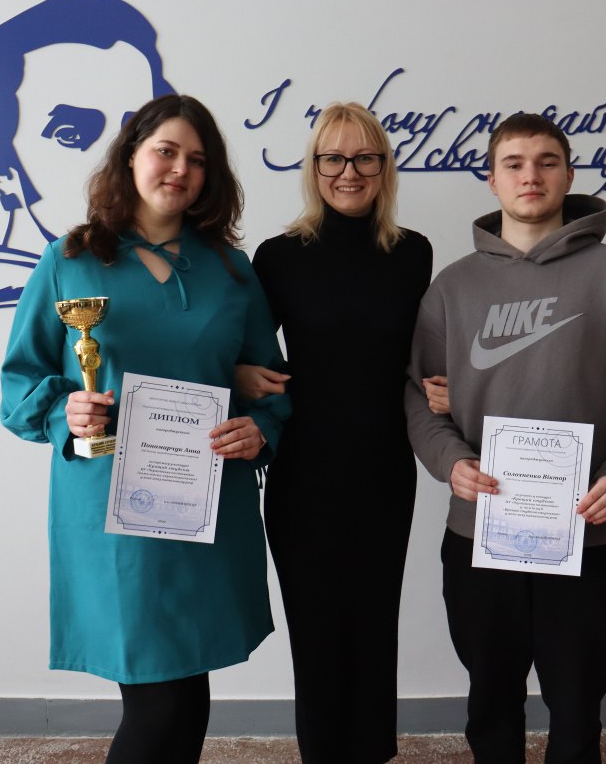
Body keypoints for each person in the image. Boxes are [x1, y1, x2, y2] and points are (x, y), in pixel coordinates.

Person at [0, 94, 290, 764]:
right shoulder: (69, 260)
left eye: (198, 159)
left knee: (188, 696)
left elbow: (272, 386)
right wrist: (64, 412)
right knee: (158, 702)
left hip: (206, 504)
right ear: (131, 155)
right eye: (166, 151)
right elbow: (19, 386)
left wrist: (259, 431)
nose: (181, 169)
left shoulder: (231, 271)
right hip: (115, 514)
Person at [405, 113, 606, 763]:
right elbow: (417, 394)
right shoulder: (452, 287)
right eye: (513, 163)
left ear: (568, 174)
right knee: (491, 706)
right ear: (492, 178)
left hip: (588, 534)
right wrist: (449, 461)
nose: (529, 175)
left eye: (546, 161)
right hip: (481, 535)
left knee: (577, 713)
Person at [236, 102, 433, 763]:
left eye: (364, 157)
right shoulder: (278, 257)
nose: (349, 172)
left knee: (374, 628)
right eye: (334, 158)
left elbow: (420, 356)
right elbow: (246, 349)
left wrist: (440, 384)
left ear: (384, 166)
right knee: (317, 636)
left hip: (385, 470)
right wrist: (238, 373)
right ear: (314, 167)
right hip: (304, 475)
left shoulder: (414, 253)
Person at [0, 0, 175, 308]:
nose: (119, 157)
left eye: (135, 133)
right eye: (72, 134)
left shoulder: (181, 280)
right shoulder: (9, 296)